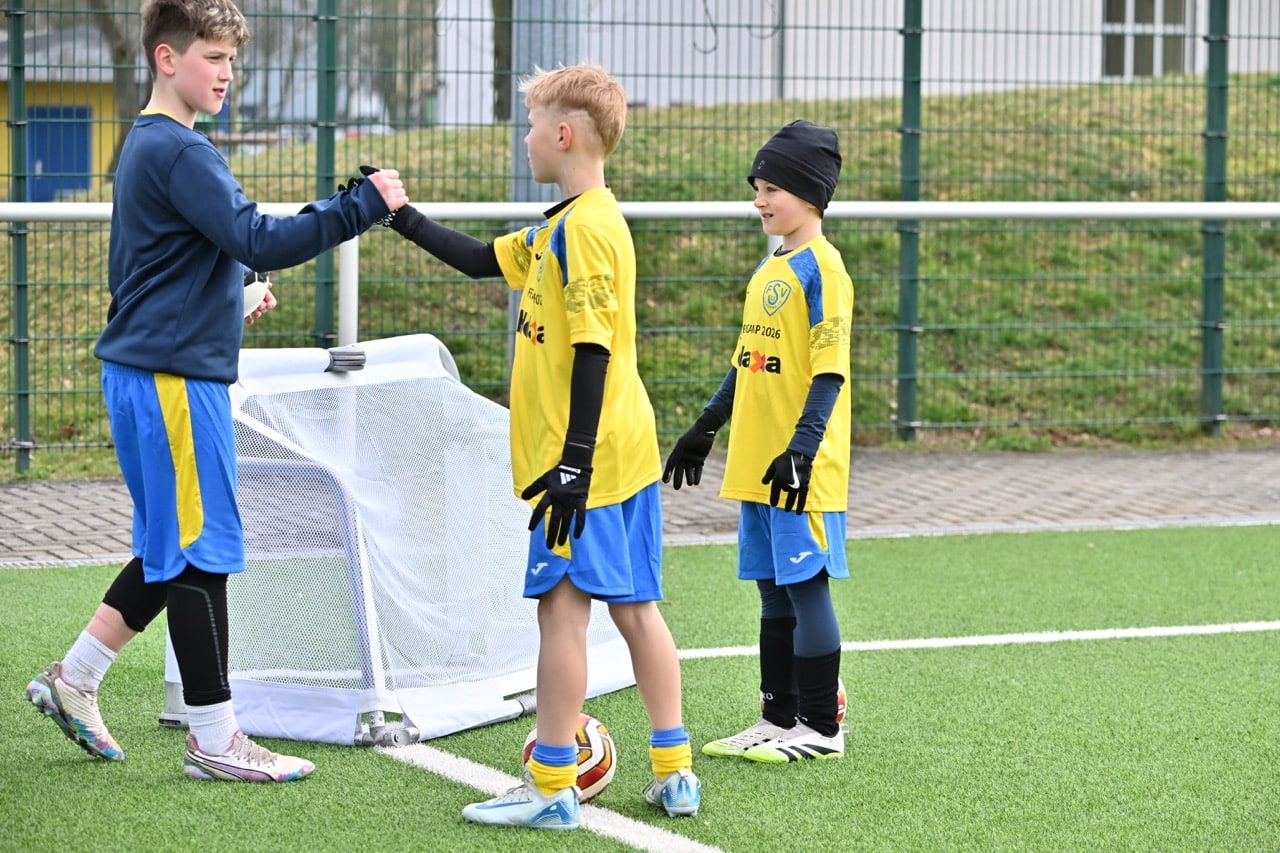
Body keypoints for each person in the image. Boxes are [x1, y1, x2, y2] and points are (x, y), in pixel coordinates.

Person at [25, 0, 407, 783]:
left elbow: (158, 269)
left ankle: (76, 679)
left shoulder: (151, 145)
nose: (227, 73)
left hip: (154, 373)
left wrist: (226, 298)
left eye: (232, 57)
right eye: (211, 56)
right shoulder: (181, 152)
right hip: (168, 383)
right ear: (167, 59)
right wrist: (363, 205)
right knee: (200, 554)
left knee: (173, 546)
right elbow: (259, 237)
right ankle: (215, 738)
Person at [377, 63, 699, 829]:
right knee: (639, 610)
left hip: (585, 463)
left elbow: (591, 349)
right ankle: (674, 770)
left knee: (561, 612)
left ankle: (552, 782)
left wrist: (572, 462)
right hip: (624, 452)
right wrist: (402, 214)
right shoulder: (567, 223)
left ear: (564, 134)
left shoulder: (582, 231)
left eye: (531, 125)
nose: (524, 138)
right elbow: (481, 259)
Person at [663, 120, 852, 763]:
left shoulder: (825, 268)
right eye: (757, 187)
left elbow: (829, 370)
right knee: (772, 589)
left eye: (772, 187)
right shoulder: (771, 263)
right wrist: (706, 425)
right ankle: (780, 717)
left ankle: (823, 729)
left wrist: (802, 446)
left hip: (798, 463)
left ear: (810, 193)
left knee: (807, 586)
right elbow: (748, 360)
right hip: (757, 458)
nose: (760, 200)